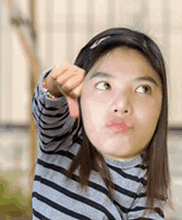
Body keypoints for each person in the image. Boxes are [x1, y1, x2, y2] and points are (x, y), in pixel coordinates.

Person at [31, 27, 174, 219]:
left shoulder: (146, 177)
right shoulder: (63, 136)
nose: (122, 105)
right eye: (105, 86)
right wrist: (55, 85)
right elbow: (48, 108)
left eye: (142, 89)